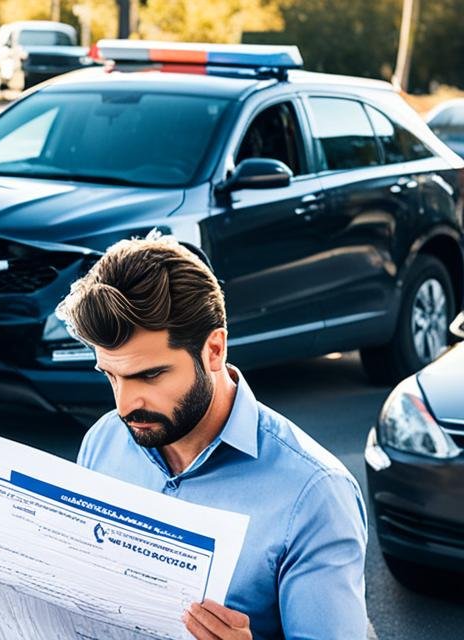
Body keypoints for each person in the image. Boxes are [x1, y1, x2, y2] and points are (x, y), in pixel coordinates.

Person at [56, 238, 368, 639]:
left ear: (214, 349)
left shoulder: (314, 495)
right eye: (110, 375)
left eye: (149, 375)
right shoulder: (103, 441)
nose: (125, 405)